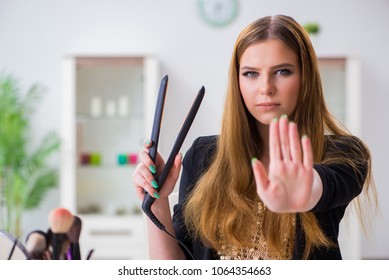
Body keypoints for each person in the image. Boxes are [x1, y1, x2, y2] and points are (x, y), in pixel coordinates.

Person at [132, 14, 377, 260]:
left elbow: (322, 185)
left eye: (282, 71)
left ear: (306, 78)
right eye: (251, 74)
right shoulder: (203, 154)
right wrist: (157, 203)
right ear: (237, 81)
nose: (266, 87)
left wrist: (304, 191)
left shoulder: (345, 153)